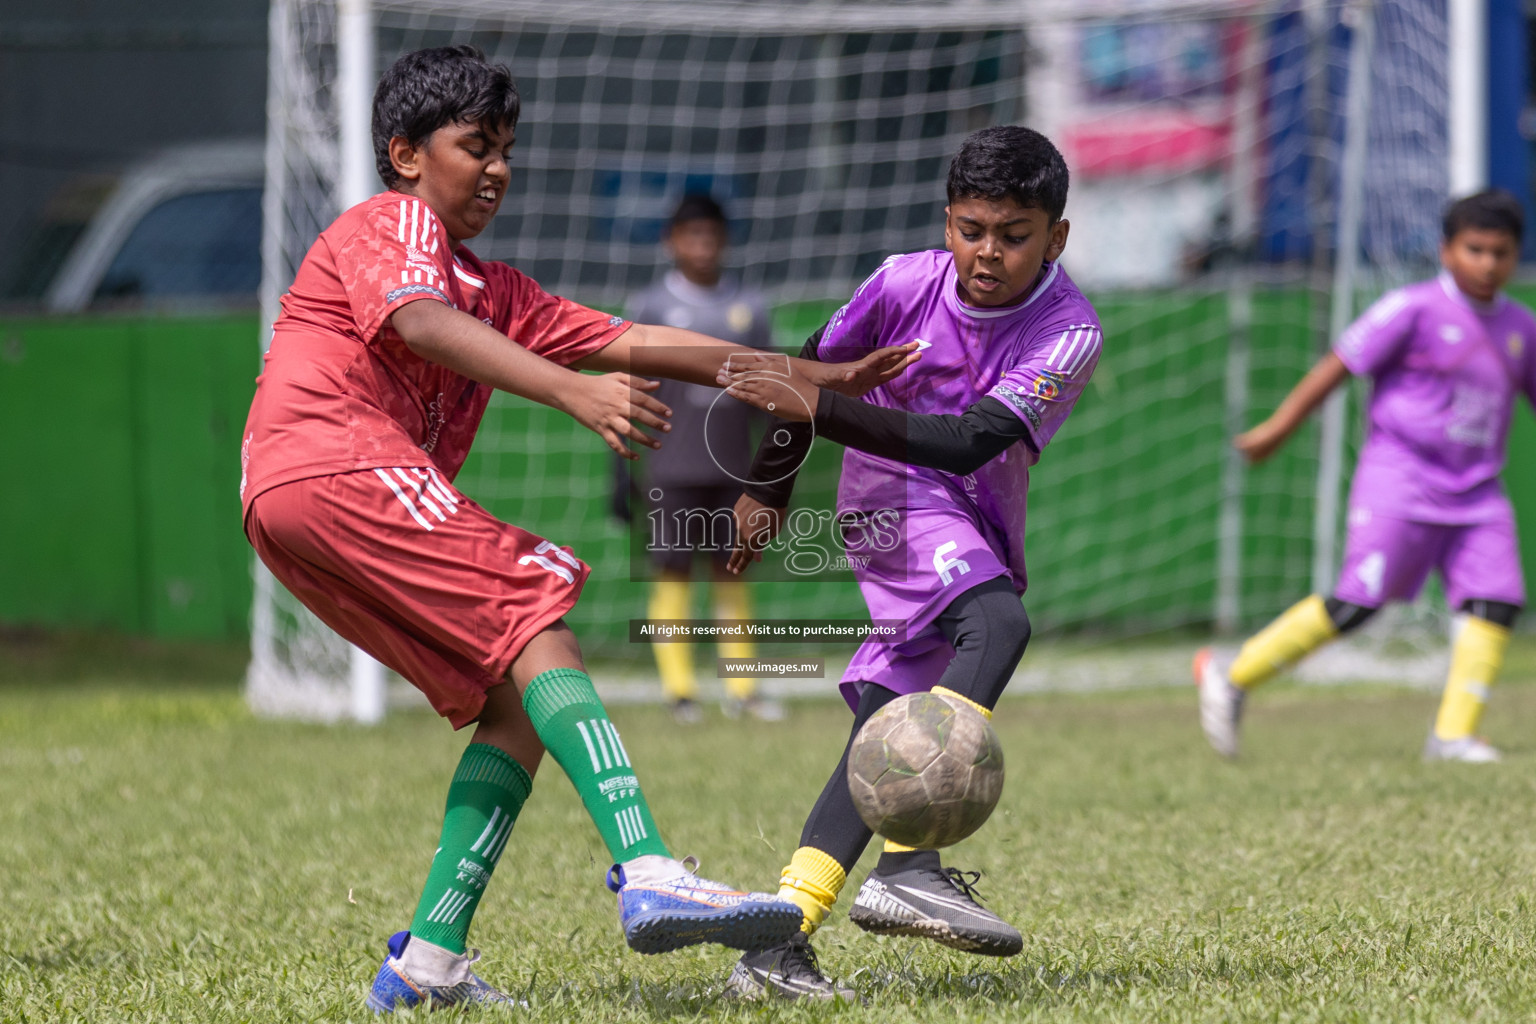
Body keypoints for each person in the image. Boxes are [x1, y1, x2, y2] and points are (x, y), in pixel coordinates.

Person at [238, 45, 915, 1012]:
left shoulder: (495, 289)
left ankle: (427, 962)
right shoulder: (384, 225)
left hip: (289, 501)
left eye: (507, 149)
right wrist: (570, 392)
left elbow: (638, 342)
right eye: (475, 146)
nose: (499, 169)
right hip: (332, 460)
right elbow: (422, 324)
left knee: (514, 699)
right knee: (532, 601)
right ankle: (646, 865)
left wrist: (802, 374)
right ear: (403, 154)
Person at [713, 125, 1102, 1000]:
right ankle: (911, 863)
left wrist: (820, 399)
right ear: (947, 221)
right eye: (971, 229)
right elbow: (808, 367)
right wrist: (770, 488)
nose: (987, 254)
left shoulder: (1070, 331)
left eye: (1014, 234)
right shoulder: (900, 282)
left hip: (970, 506)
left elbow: (970, 444)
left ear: (1057, 237)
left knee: (885, 733)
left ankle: (777, 940)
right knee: (999, 623)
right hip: (890, 502)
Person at [1196, 189, 1536, 764]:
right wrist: (1280, 427)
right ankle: (1232, 674)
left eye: (1500, 253)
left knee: (1495, 601)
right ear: (1446, 250)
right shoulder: (1412, 308)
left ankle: (1453, 735)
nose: (1487, 264)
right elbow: (1339, 365)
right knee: (1359, 604)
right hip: (1401, 479)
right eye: (1474, 249)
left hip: (1478, 493)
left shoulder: (1520, 327)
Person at [619, 193, 783, 724]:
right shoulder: (650, 308)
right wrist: (620, 470)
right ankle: (680, 691)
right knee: (672, 574)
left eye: (711, 236)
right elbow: (629, 390)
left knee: (731, 572)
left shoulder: (749, 308)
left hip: (734, 470)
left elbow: (770, 396)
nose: (702, 246)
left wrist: (773, 473)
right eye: (691, 236)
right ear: (672, 242)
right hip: (670, 467)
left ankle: (742, 690)